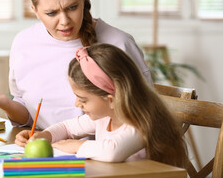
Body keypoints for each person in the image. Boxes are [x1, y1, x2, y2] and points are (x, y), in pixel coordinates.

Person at [0, 0, 152, 130]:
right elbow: (29, 117)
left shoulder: (119, 43)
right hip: (47, 150)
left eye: (72, 8)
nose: (65, 21)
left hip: (110, 156)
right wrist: (5, 104)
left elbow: (145, 113)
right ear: (35, 10)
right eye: (51, 13)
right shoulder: (24, 43)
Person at [15, 43, 187, 167]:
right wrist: (45, 135)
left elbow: (112, 152)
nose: (77, 104)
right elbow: (68, 128)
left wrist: (77, 146)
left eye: (82, 100)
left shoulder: (142, 123)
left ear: (111, 100)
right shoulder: (105, 117)